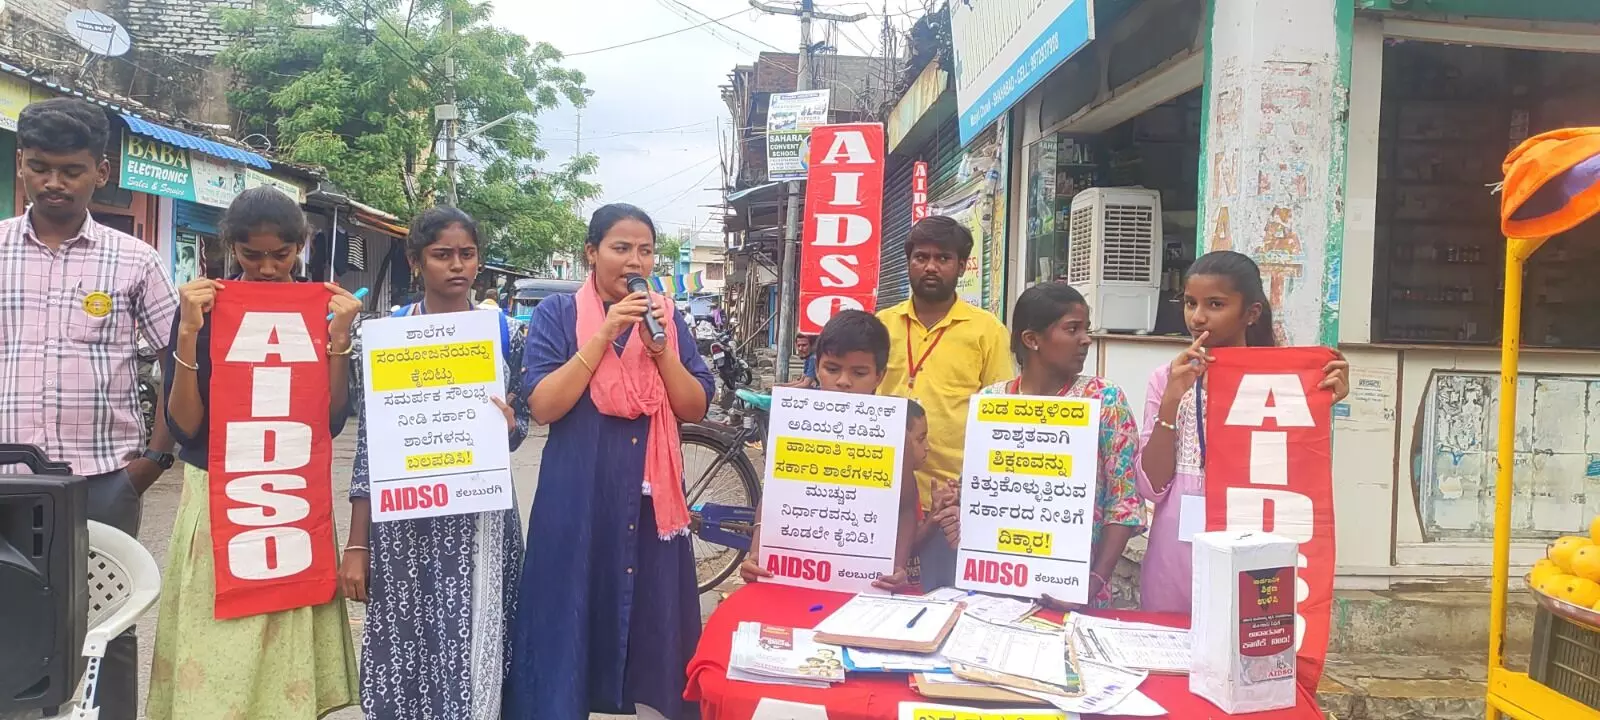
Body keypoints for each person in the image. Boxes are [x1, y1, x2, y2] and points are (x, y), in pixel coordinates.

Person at [146, 187, 362, 719]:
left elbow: (331, 419)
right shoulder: (203, 309)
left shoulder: (323, 309)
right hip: (221, 493)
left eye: (281, 255)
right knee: (218, 632)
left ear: (301, 246)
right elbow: (185, 424)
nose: (267, 268)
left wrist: (339, 337)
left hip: (288, 490)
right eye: (251, 255)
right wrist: (192, 333)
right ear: (230, 249)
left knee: (282, 637)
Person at [0, 98, 178, 719]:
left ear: (101, 171)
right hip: (3, 483)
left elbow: (183, 360)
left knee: (109, 622)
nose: (55, 182)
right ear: (21, 165)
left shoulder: (134, 261)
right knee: (9, 622)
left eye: (71, 169)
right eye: (41, 166)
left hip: (100, 481)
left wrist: (153, 459)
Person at [509, 203, 712, 720]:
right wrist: (602, 336)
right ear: (591, 254)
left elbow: (693, 405)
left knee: (654, 619)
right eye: (621, 248)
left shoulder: (666, 316)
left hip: (650, 505)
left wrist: (661, 349)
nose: (634, 260)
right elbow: (544, 404)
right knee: (567, 613)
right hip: (577, 495)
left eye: (645, 250)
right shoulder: (557, 316)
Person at [341, 207, 529, 718]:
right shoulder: (386, 335)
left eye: (467, 254)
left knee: (478, 642)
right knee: (407, 641)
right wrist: (358, 544)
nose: (456, 265)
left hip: (480, 522)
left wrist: (511, 425)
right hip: (405, 521)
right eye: (441, 254)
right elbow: (369, 448)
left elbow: (524, 424)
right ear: (416, 261)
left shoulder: (506, 332)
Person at [1135, 250, 1350, 614]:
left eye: (1215, 304)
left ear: (1251, 313)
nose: (1197, 316)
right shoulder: (1166, 378)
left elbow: (1296, 475)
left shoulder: (1283, 384)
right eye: (1190, 303)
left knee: (1245, 649)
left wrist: (1320, 398)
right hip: (1176, 552)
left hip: (1250, 542)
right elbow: (1150, 485)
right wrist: (1172, 399)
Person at [924, 282, 1146, 606]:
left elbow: (1123, 501)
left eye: (1086, 329)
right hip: (996, 589)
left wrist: (1094, 582)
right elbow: (988, 489)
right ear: (1032, 340)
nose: (1085, 339)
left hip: (1077, 590)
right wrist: (957, 502)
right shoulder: (991, 401)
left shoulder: (1103, 399)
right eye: (1072, 329)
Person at [737, 309, 924, 591]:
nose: (843, 381)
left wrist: (897, 566)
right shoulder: (796, 422)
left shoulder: (895, 432)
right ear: (817, 366)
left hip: (866, 583)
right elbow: (775, 496)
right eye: (832, 369)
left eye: (859, 372)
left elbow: (907, 508)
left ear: (879, 375)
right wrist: (756, 551)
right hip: (794, 578)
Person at [878, 216, 1012, 513]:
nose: (930, 266)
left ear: (962, 266)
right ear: (908, 262)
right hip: (879, 489)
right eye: (921, 257)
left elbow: (999, 414)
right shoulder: (881, 326)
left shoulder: (987, 331)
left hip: (952, 498)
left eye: (943, 258)